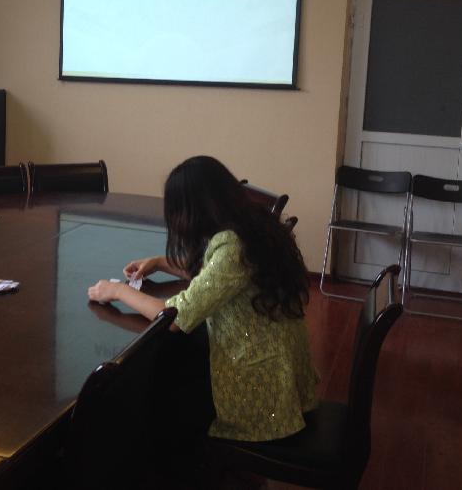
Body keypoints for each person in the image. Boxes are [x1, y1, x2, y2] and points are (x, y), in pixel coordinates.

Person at [88, 155, 318, 442]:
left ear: (193, 210)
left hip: (261, 386)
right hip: (279, 368)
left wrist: (118, 291)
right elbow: (216, 275)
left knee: (161, 388)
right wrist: (160, 262)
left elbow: (174, 317)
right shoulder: (249, 224)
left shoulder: (233, 248)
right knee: (180, 361)